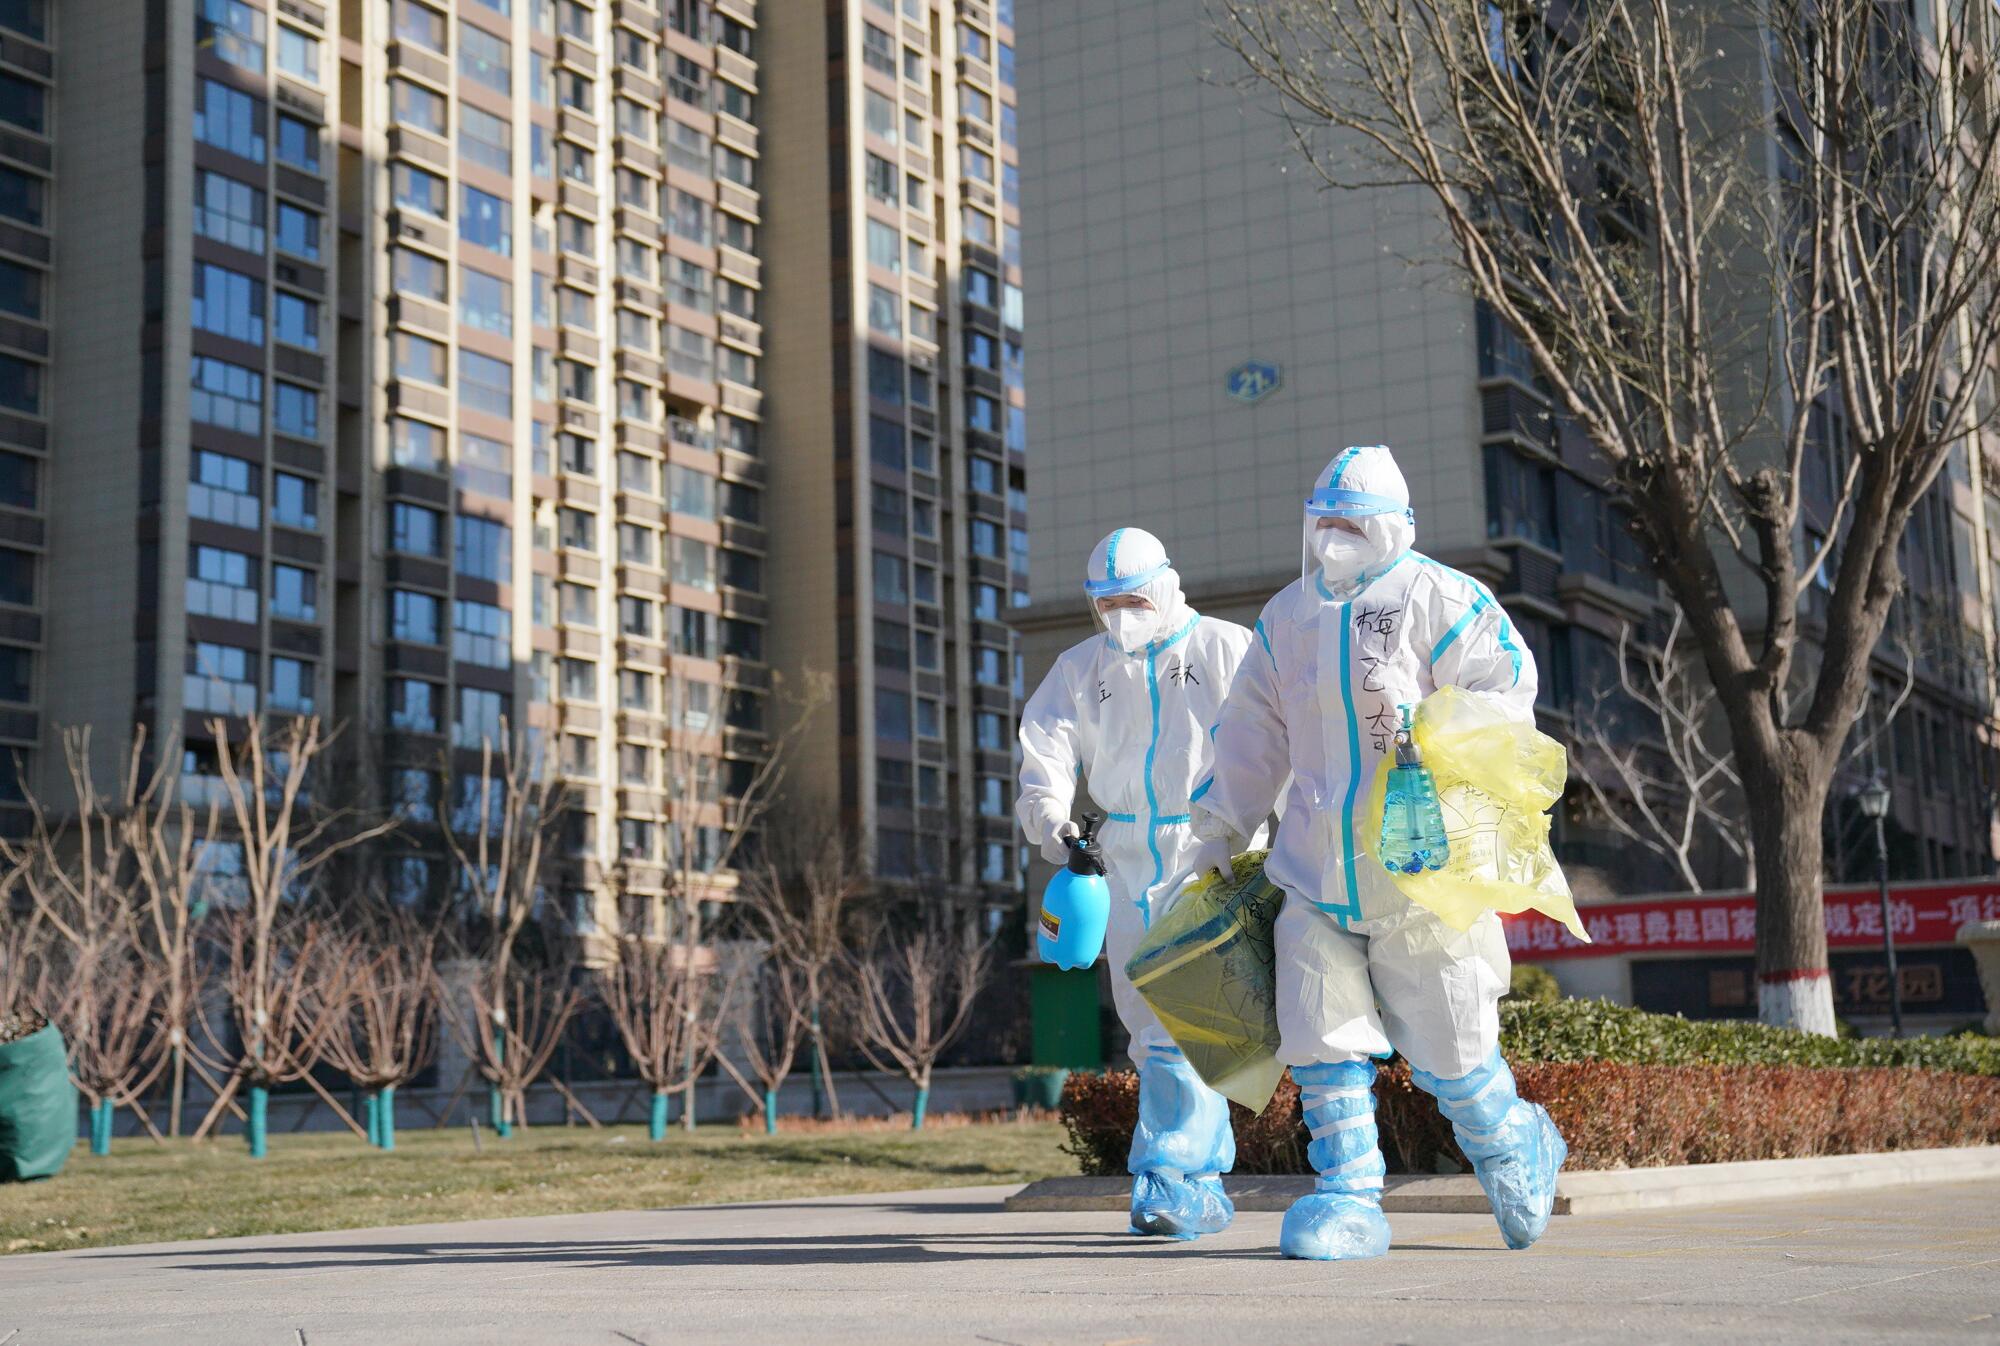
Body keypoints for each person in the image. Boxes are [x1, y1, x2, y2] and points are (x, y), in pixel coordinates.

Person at [1185, 445, 1567, 1261]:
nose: (1337, 540)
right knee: (1321, 1037)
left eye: (1355, 525)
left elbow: (1509, 695)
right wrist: (1222, 821)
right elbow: (1253, 728)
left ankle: (1512, 1147)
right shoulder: (1286, 617)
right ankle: (1349, 1196)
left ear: (1396, 527)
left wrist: (1435, 726)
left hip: (1420, 869)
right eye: (1325, 524)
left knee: (1453, 1046)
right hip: (1314, 870)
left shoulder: (1445, 597)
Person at [1017, 527, 1256, 1239]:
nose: (1120, 613)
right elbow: (1045, 749)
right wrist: (1058, 827)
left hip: (1209, 844)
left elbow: (1269, 740)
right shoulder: (1080, 668)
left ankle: (1166, 1174)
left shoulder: (1225, 648)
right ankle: (1203, 1182)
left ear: (1166, 584)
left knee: (1188, 1019)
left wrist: (1257, 832)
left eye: (1133, 598)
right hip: (1118, 853)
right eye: (1106, 602)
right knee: (1154, 1024)